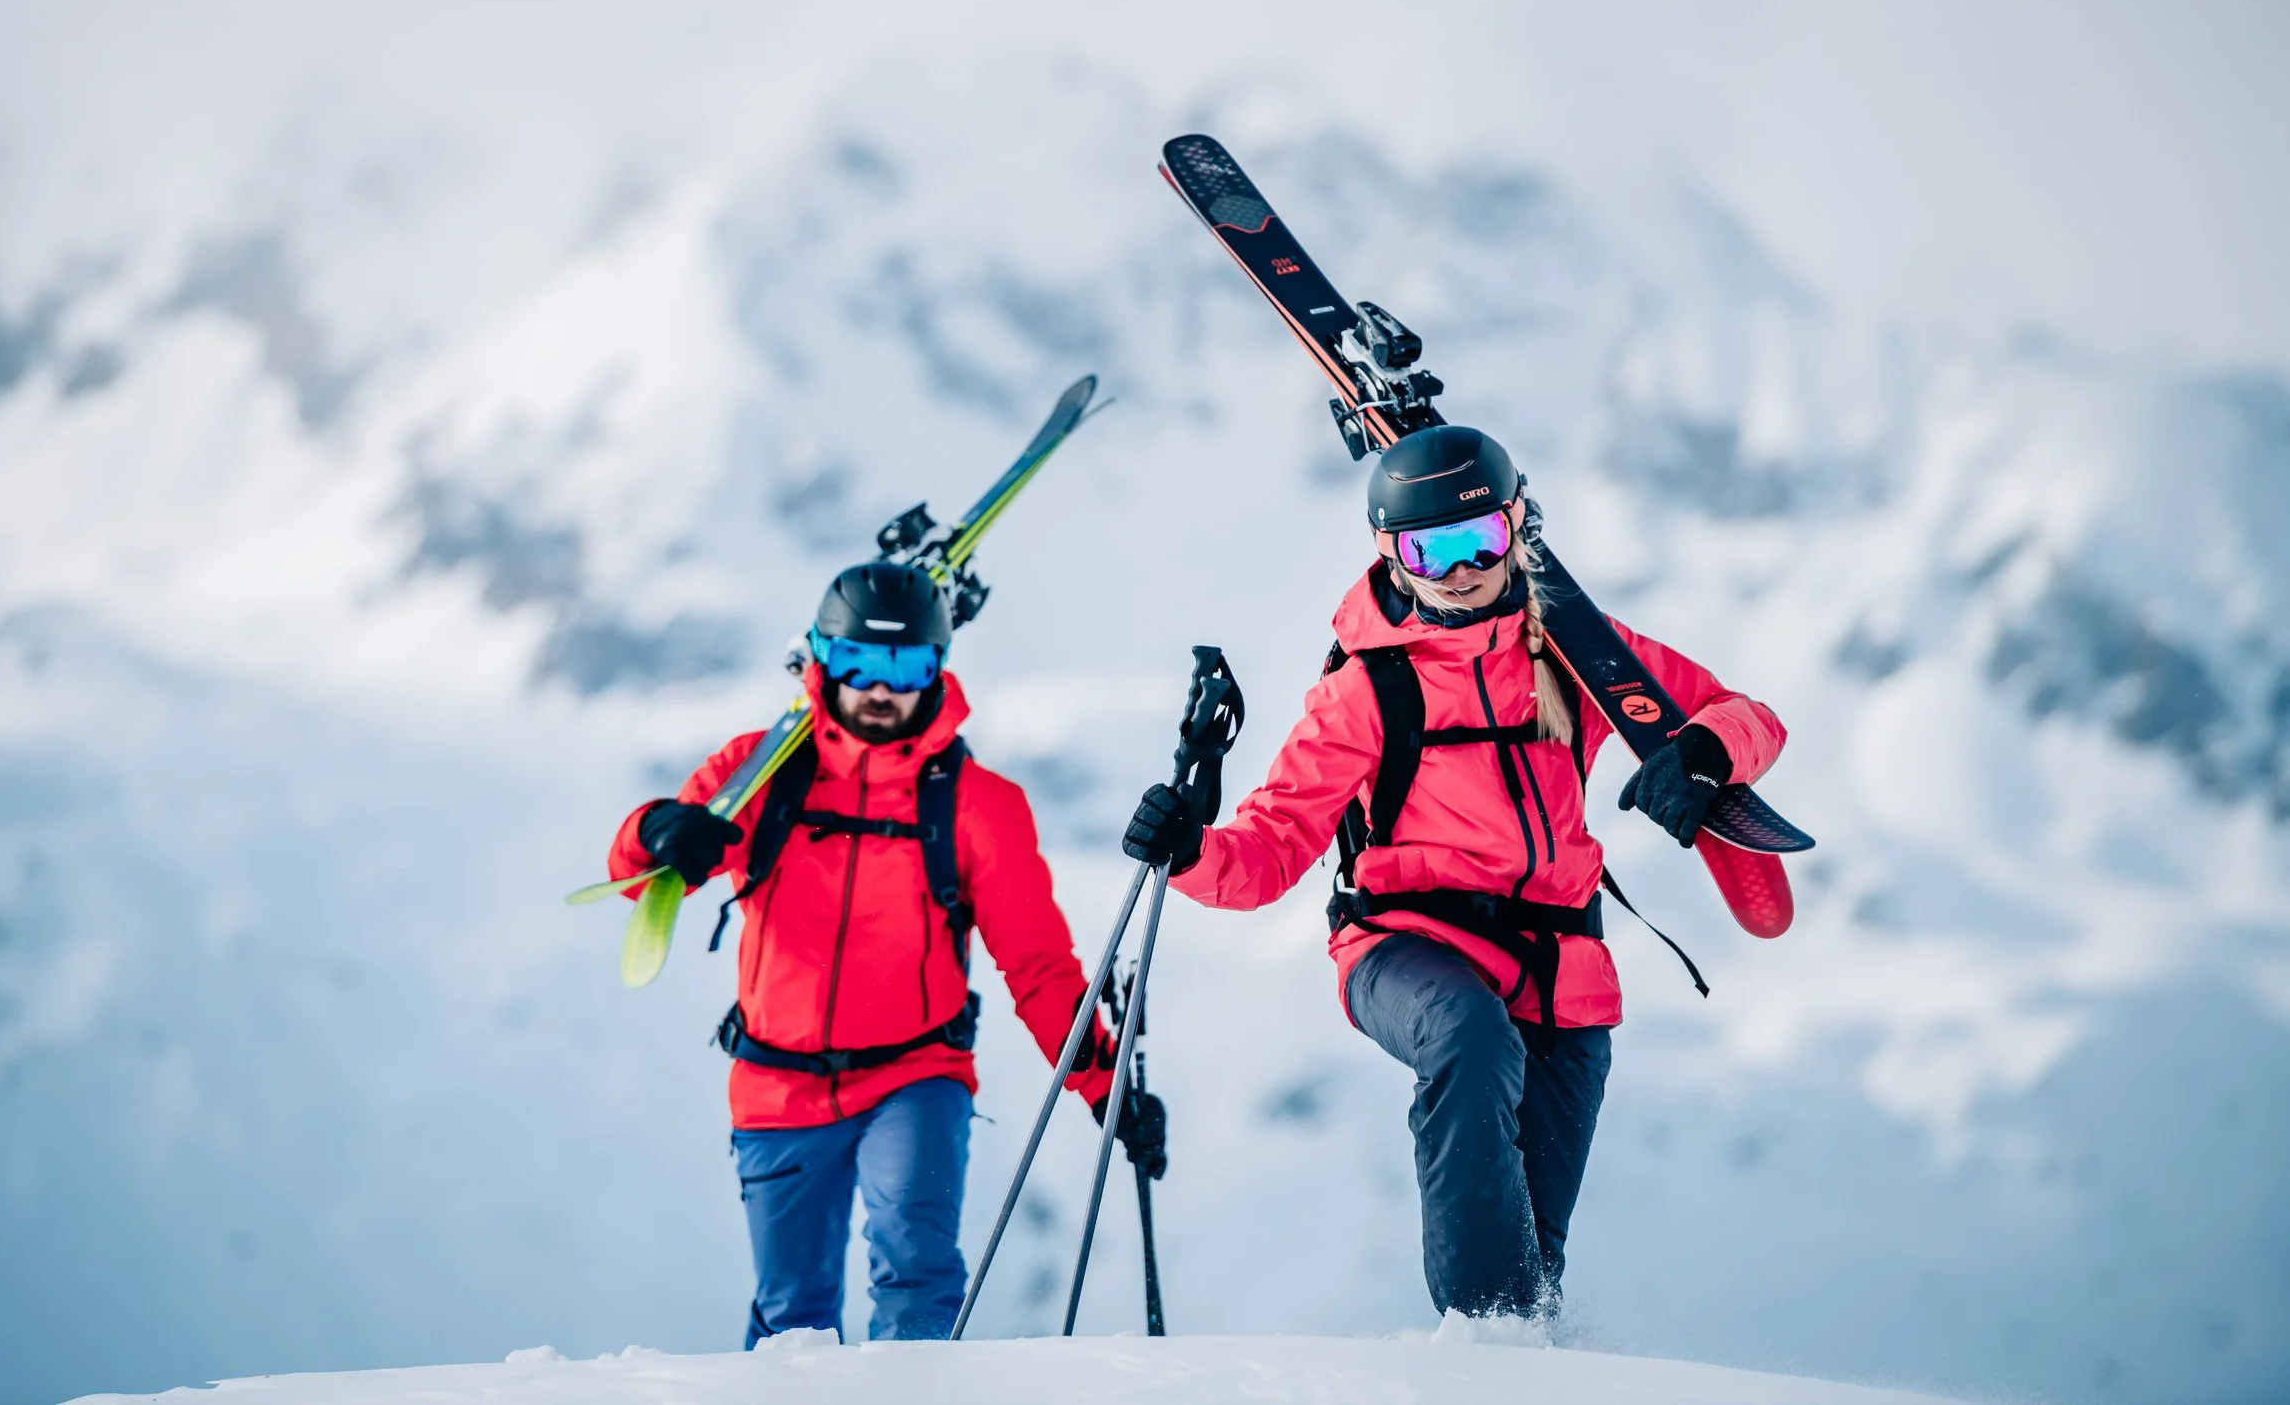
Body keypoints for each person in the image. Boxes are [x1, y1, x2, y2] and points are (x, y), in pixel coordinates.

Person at [1119, 426, 1786, 1321]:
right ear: (1389, 552)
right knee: (1469, 1037)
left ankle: (1517, 1363)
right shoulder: (1368, 686)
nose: (1462, 569)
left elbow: (1748, 717)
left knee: (1534, 1269)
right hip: (1405, 945)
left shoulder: (1574, 651)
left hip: (1561, 978)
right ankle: (1483, 1351)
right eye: (1431, 549)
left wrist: (1706, 750)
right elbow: (1274, 841)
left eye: (1482, 541)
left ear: (1518, 526)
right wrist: (1192, 851)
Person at [608, 561, 1163, 1345]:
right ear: (821, 662)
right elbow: (634, 877)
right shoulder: (758, 770)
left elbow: (1039, 965)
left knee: (918, 1278)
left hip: (915, 1078)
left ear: (936, 668)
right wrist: (659, 831)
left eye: (905, 666)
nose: (881, 688)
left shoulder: (980, 805)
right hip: (776, 1089)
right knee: (789, 1316)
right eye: (861, 663)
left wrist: (1104, 1085)